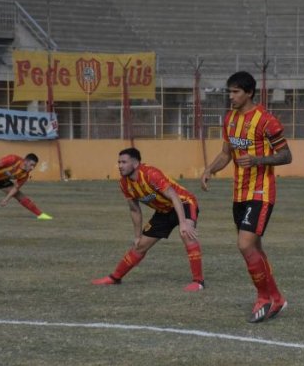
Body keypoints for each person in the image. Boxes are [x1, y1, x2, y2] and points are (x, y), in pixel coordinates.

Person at [201, 71, 292, 323]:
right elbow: (226, 153)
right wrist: (210, 169)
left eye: (235, 92)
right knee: (254, 248)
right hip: (239, 194)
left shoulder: (266, 120)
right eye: (229, 92)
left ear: (249, 92)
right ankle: (278, 298)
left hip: (261, 192)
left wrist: (258, 160)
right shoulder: (229, 119)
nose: (231, 96)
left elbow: (286, 155)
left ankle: (264, 298)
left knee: (244, 245)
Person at [92, 148, 205, 292]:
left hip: (184, 203)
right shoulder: (124, 184)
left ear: (135, 163)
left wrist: (183, 223)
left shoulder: (150, 174)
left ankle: (198, 281)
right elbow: (134, 210)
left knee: (186, 234)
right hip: (163, 211)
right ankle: (115, 278)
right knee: (140, 246)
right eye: (119, 162)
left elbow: (174, 196)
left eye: (124, 162)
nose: (120, 166)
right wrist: (137, 236)